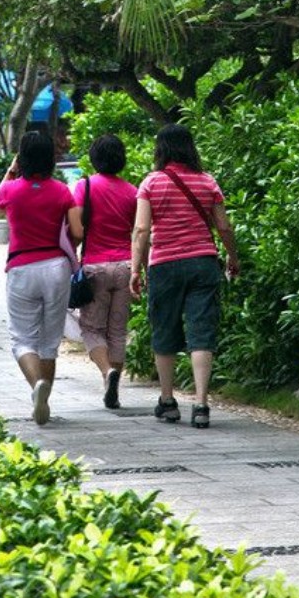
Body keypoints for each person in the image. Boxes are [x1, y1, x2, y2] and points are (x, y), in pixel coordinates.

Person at [130, 124, 240, 429]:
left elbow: (141, 230)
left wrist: (135, 269)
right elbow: (224, 227)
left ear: (160, 149)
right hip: (203, 262)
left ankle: (167, 401)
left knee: (164, 331)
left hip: (164, 265)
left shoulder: (151, 183)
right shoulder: (207, 182)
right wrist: (232, 256)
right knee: (201, 330)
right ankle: (202, 405)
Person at [0, 131, 79, 425]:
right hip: (56, 266)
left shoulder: (11, 190)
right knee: (50, 341)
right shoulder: (62, 191)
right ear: (51, 158)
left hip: (21, 267)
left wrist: (11, 170)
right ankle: (45, 398)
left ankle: (36, 388)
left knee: (21, 339)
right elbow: (76, 231)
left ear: (23, 158)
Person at [69, 133, 138, 410]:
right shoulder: (132, 191)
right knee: (118, 331)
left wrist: (70, 257)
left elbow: (76, 230)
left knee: (91, 328)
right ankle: (115, 386)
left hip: (95, 266)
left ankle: (105, 372)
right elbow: (139, 230)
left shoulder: (84, 187)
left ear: (94, 158)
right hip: (125, 266)